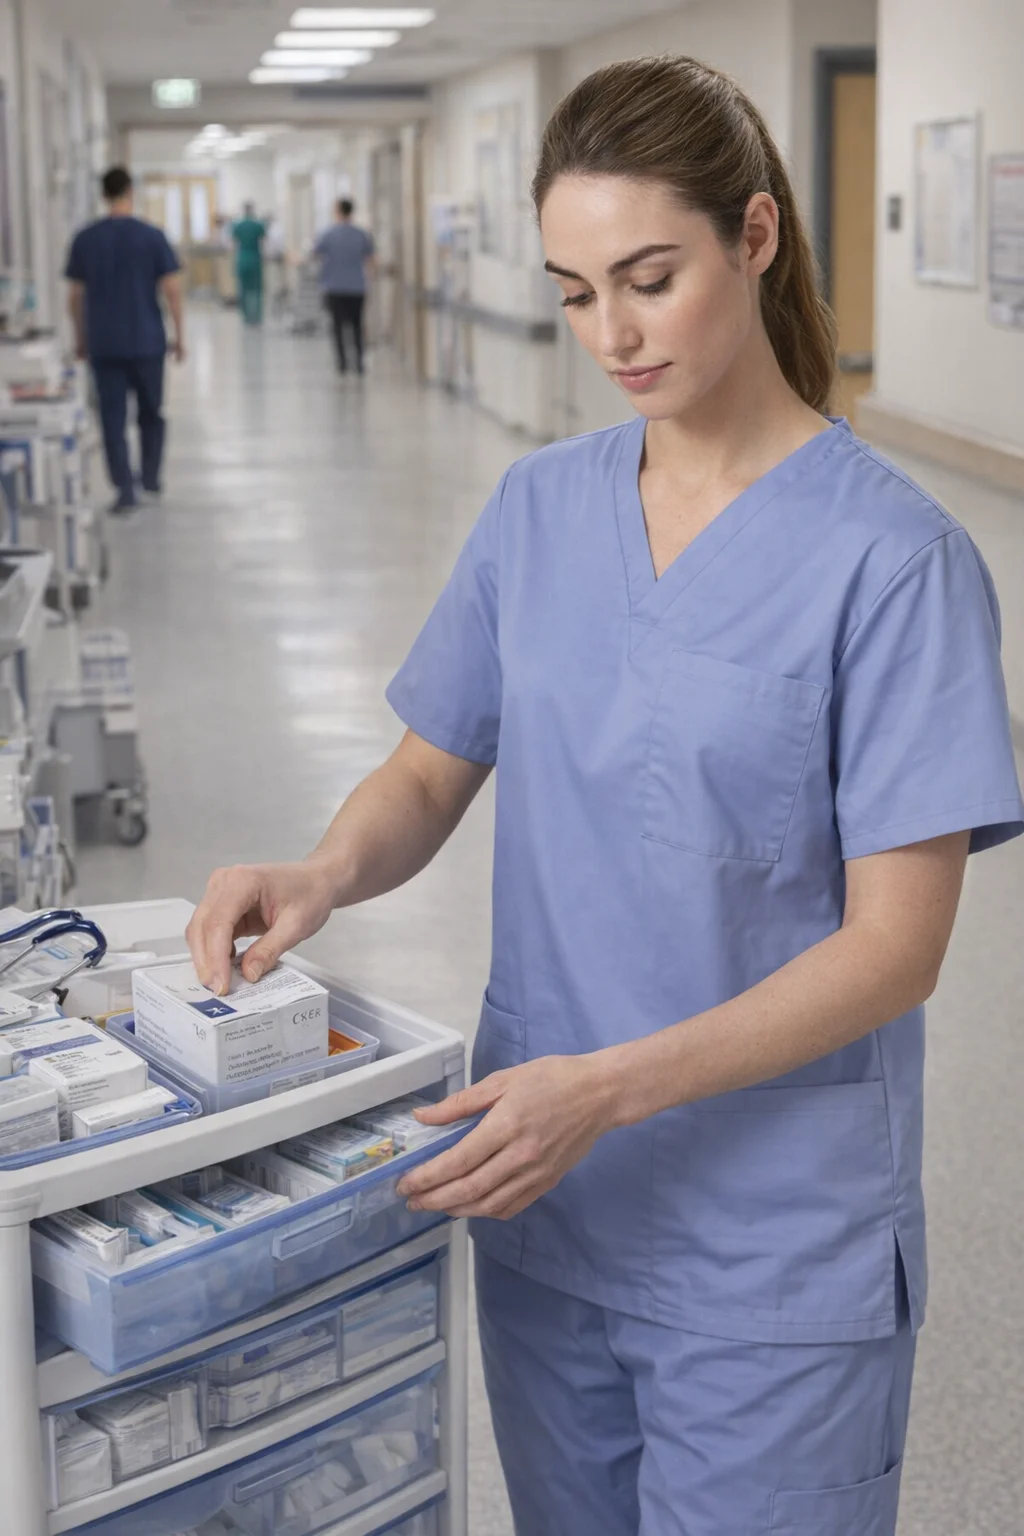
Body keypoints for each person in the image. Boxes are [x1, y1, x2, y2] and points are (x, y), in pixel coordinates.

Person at [187, 55, 1024, 1536]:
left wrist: (613, 1088)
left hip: (773, 1250)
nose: (613, 334)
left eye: (650, 277)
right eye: (576, 293)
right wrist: (322, 873)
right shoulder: (539, 509)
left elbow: (900, 946)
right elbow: (433, 764)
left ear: (754, 237)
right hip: (548, 1201)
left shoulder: (894, 565)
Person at [65, 166, 184, 513]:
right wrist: (180, 335)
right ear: (130, 192)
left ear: (103, 195)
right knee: (151, 413)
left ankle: (125, 489)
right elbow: (173, 290)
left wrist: (81, 338)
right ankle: (150, 478)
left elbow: (74, 297)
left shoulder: (86, 238)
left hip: (104, 343)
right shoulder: (152, 236)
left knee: (112, 418)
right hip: (147, 341)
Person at [314, 198, 376, 373]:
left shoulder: (328, 233)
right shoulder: (360, 234)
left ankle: (341, 363)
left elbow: (315, 252)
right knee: (357, 325)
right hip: (357, 287)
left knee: (337, 326)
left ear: (338, 211)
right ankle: (359, 363)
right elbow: (371, 259)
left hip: (335, 287)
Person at [232, 203, 267, 326]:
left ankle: (246, 317)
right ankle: (256, 317)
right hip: (255, 259)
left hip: (243, 258)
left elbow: (233, 241)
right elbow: (264, 240)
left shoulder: (238, 225)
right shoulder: (258, 225)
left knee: (243, 289)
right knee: (256, 290)